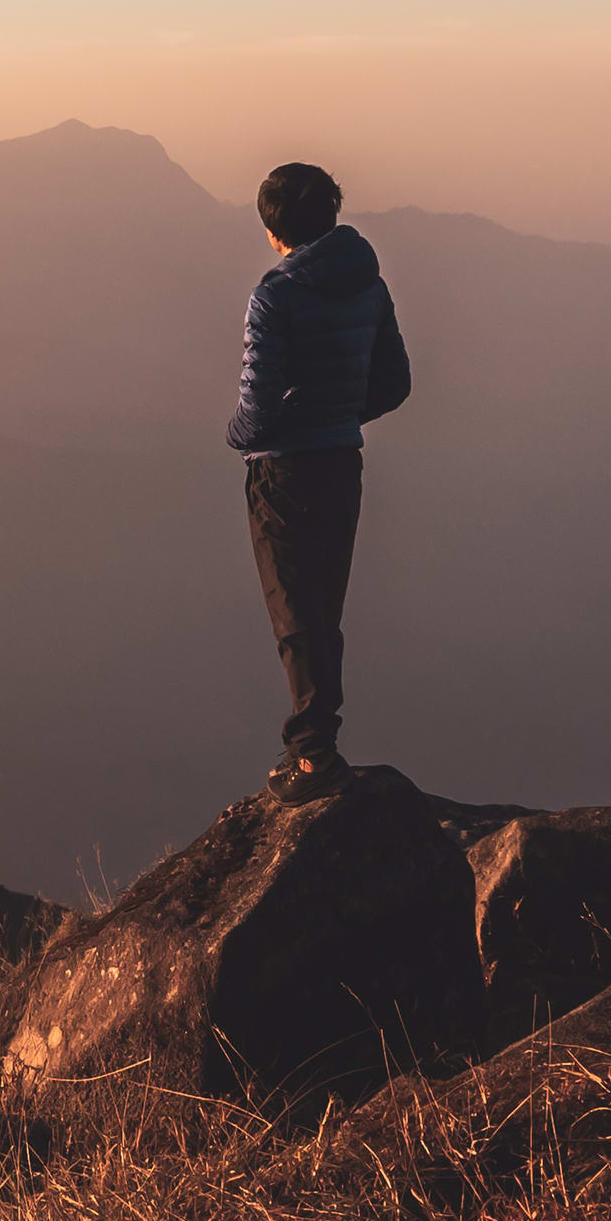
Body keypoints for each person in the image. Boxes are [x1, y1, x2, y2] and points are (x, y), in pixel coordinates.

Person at [226, 162, 411, 797]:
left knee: (295, 616)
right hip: (341, 464)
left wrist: (241, 436)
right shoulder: (368, 282)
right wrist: (338, 416)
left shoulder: (274, 295)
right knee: (322, 610)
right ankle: (317, 745)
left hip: (284, 474)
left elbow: (258, 406)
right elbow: (394, 383)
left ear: (273, 226)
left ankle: (314, 759)